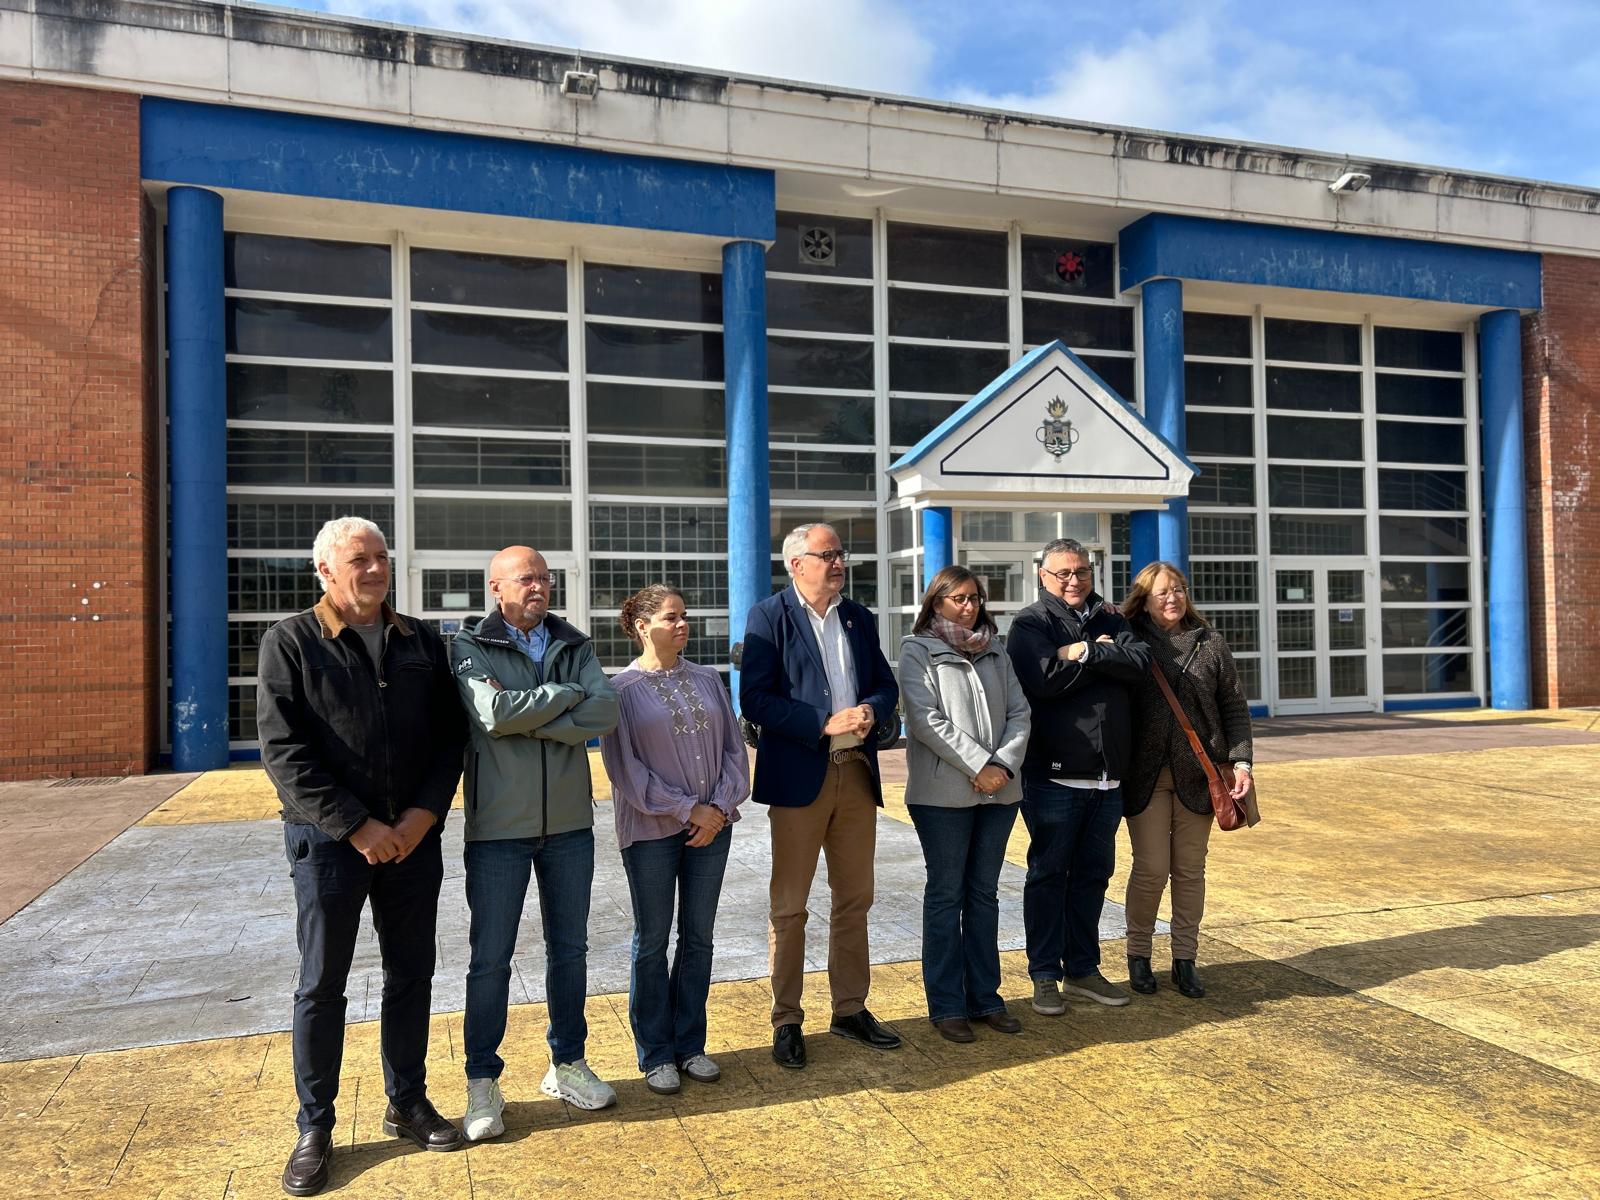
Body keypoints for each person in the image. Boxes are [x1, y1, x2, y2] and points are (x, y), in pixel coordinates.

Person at [257, 516, 467, 1197]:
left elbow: (450, 737)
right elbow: (284, 753)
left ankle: (407, 1101)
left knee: (412, 973)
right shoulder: (290, 642)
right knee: (323, 983)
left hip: (412, 838)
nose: (376, 568)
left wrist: (421, 814)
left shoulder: (420, 640)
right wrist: (356, 826)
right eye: (359, 558)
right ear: (325, 571)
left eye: (382, 556)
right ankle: (314, 1127)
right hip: (328, 845)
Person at [450, 546, 619, 1138]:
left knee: (569, 951)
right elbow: (492, 713)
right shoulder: (469, 646)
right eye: (527, 578)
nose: (539, 586)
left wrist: (540, 710)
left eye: (545, 577)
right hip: (499, 829)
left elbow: (606, 711)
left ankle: (567, 1063)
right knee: (490, 959)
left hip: (571, 825)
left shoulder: (575, 644)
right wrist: (566, 696)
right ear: (496, 588)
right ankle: (481, 1082)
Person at [740, 522, 901, 1069]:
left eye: (841, 554)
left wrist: (872, 710)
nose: (838, 563)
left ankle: (850, 1008)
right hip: (800, 778)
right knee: (790, 906)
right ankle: (786, 1019)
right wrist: (821, 722)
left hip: (856, 774)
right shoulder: (770, 616)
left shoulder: (858, 616)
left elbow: (885, 681)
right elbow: (755, 699)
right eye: (827, 555)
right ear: (796, 564)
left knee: (855, 899)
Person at [600, 585, 750, 1094]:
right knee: (651, 942)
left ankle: (690, 1045)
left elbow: (735, 750)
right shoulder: (619, 691)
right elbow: (625, 772)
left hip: (713, 829)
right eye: (671, 617)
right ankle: (656, 1053)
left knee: (699, 938)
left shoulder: (709, 679)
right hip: (650, 833)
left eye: (684, 615)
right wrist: (689, 809)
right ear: (642, 626)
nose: (682, 624)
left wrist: (719, 810)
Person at [1005, 537, 1151, 1015]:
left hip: (1109, 778)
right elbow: (1042, 682)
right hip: (1054, 776)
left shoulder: (1113, 618)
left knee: (1093, 876)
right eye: (1062, 573)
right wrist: (1097, 656)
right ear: (1042, 576)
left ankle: (1083, 969)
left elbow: (1141, 664)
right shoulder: (1031, 623)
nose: (1073, 580)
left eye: (1081, 572)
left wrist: (1081, 653)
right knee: (1049, 875)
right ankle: (1045, 974)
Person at [897, 566, 1031, 1043]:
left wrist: (1002, 766)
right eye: (958, 598)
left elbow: (1020, 712)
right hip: (942, 797)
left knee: (983, 895)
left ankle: (986, 998)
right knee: (946, 895)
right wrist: (979, 765)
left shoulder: (996, 649)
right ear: (937, 603)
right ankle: (947, 1004)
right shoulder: (918, 650)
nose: (969, 606)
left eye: (974, 597)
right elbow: (925, 719)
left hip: (1001, 793)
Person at [1121, 561, 1254, 1000]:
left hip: (1201, 775)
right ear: (1144, 598)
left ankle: (1185, 960)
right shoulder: (1131, 640)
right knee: (1151, 869)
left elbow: (1234, 708)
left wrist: (1242, 763)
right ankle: (1138, 956)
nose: (1173, 598)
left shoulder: (1210, 642)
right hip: (1145, 774)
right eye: (1162, 592)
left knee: (1190, 871)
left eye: (1178, 590)